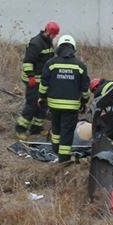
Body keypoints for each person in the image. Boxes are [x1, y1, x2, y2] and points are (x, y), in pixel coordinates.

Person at [39, 35, 90, 163]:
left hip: (54, 106)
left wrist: (42, 98)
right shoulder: (80, 66)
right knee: (67, 132)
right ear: (73, 48)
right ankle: (64, 159)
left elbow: (43, 84)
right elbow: (85, 89)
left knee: (56, 129)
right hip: (71, 107)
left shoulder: (50, 64)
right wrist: (84, 102)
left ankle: (55, 149)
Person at [15, 20, 60, 138]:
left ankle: (36, 128)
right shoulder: (36, 43)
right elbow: (28, 61)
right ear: (49, 32)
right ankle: (20, 129)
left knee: (43, 104)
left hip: (43, 80)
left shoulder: (48, 42)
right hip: (33, 80)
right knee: (32, 104)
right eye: (54, 35)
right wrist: (30, 76)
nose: (55, 37)